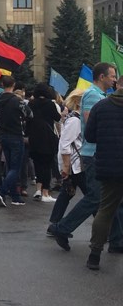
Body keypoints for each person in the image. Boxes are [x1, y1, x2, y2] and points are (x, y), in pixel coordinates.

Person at [49, 62, 122, 251]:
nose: (114, 79)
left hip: (101, 153)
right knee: (96, 198)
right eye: (112, 76)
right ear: (101, 77)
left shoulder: (101, 96)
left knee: (113, 199)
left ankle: (116, 240)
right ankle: (62, 228)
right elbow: (92, 125)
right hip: (94, 154)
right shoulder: (92, 95)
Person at [84, 85, 123, 270]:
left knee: (105, 210)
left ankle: (94, 255)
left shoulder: (100, 106)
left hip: (109, 166)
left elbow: (89, 136)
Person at [49, 89, 86, 229]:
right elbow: (64, 144)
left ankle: (54, 224)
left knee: (67, 194)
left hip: (75, 165)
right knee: (93, 198)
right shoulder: (75, 121)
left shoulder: (76, 119)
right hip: (75, 165)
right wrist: (66, 167)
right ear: (78, 102)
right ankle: (105, 229)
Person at [0, 75, 32, 208]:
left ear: (2, 84)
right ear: (14, 85)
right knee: (16, 168)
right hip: (16, 135)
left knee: (10, 167)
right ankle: (2, 191)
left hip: (3, 135)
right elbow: (29, 114)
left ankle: (15, 196)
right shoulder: (17, 100)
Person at [27, 82, 61, 202]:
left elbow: (28, 120)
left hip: (34, 138)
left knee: (37, 164)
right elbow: (57, 117)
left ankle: (38, 189)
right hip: (47, 138)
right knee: (47, 166)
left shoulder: (30, 104)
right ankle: (45, 193)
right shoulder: (50, 104)